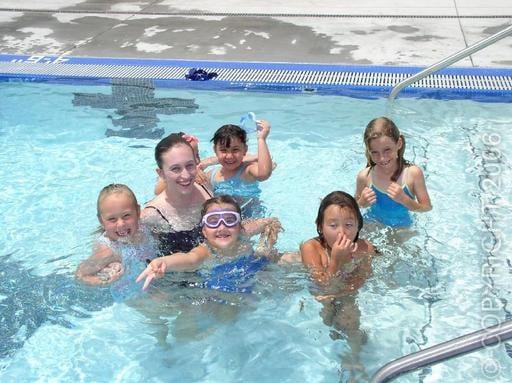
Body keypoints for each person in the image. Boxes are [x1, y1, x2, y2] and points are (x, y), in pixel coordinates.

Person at [300, 191, 377, 381]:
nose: (342, 232)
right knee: (326, 316)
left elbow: (362, 280)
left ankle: (354, 359)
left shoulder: (365, 248)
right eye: (333, 225)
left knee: (349, 314)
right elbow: (320, 285)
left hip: (344, 292)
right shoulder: (311, 248)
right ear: (320, 226)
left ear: (359, 225)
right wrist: (336, 261)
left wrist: (341, 291)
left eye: (349, 225)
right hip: (321, 289)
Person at [136, 195, 282, 292]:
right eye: (213, 221)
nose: (222, 226)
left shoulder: (243, 233)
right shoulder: (206, 251)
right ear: (204, 232)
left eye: (230, 220)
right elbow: (189, 259)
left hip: (252, 267)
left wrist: (265, 247)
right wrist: (164, 261)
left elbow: (271, 222)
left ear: (240, 226)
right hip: (216, 284)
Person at [75, 184, 156, 301]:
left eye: (126, 216)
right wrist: (104, 280)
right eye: (112, 219)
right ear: (101, 221)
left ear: (138, 212)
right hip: (131, 295)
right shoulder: (108, 250)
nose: (121, 224)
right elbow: (80, 274)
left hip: (153, 278)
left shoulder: (144, 227)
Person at [142, 133, 214, 257]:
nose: (186, 176)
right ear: (161, 173)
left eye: (189, 165)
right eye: (176, 169)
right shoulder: (151, 215)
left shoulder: (205, 186)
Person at [355, 116, 432, 228]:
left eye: (387, 150)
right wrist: (361, 203)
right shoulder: (364, 176)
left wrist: (405, 200)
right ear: (369, 151)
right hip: (372, 223)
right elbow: (352, 209)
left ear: (398, 144)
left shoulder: (412, 174)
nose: (382, 158)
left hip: (401, 227)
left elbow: (427, 207)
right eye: (375, 152)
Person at [206, 122, 273, 217]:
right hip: (225, 220)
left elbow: (264, 174)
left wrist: (261, 139)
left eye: (235, 150)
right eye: (223, 150)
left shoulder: (247, 171)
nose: (229, 156)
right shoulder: (211, 175)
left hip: (251, 217)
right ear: (215, 150)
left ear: (245, 150)